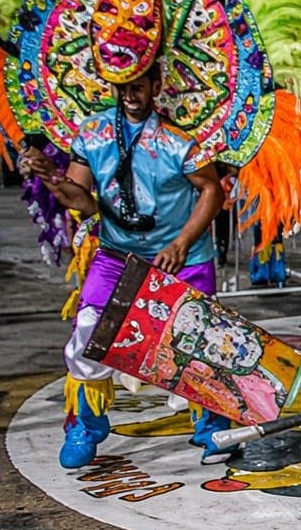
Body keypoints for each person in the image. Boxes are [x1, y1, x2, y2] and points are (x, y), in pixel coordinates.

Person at [20, 53, 226, 467]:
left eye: (138, 86)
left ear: (155, 86)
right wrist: (51, 176)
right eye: (123, 86)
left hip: (181, 259)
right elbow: (84, 201)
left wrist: (181, 243)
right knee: (87, 334)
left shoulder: (178, 140)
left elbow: (212, 191)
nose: (130, 96)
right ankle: (86, 425)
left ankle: (212, 426)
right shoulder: (93, 133)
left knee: (196, 341)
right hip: (117, 256)